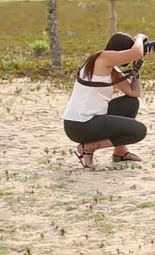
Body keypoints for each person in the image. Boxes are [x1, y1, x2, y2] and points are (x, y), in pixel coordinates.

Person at [63, 32, 149, 168]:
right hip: (80, 124)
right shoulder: (103, 58)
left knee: (130, 103)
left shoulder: (110, 67)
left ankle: (120, 152)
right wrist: (140, 38)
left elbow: (134, 92)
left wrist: (136, 68)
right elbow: (136, 52)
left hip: (86, 121)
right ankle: (89, 147)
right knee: (139, 131)